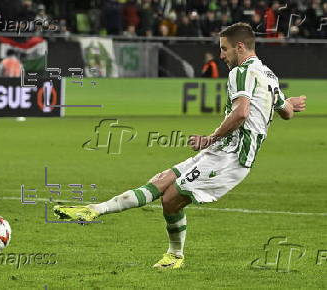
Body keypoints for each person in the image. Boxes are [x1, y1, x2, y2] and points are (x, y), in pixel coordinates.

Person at [53, 23, 307, 269]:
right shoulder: (267, 74)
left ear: (240, 47)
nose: (221, 55)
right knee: (161, 180)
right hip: (222, 150)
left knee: (171, 200)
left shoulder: (240, 72)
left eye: (224, 49)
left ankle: (175, 255)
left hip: (232, 156)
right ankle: (94, 210)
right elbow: (285, 112)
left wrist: (210, 137)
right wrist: (290, 103)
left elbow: (241, 112)